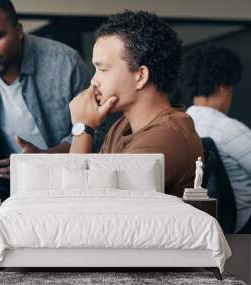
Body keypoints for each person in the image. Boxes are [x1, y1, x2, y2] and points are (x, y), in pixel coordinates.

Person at [0, 0, 95, 220]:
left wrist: (40, 161)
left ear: (19, 31)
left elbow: (92, 131)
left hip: (67, 191)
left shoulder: (64, 63)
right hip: (8, 199)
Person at [68, 10, 203, 197]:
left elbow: (81, 204)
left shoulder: (166, 137)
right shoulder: (121, 126)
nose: (94, 81)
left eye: (103, 69)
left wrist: (83, 129)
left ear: (140, 76)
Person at [178, 44, 251, 233]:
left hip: (206, 226)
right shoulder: (227, 129)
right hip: (244, 225)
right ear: (223, 87)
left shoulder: (180, 126)